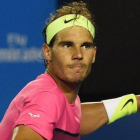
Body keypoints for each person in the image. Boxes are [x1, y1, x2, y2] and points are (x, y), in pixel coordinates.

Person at [0, 1, 140, 140]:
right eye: (67, 45)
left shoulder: (62, 99)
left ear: (94, 54)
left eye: (86, 46)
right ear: (47, 52)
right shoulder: (46, 98)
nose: (78, 54)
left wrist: (134, 102)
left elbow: (74, 119)